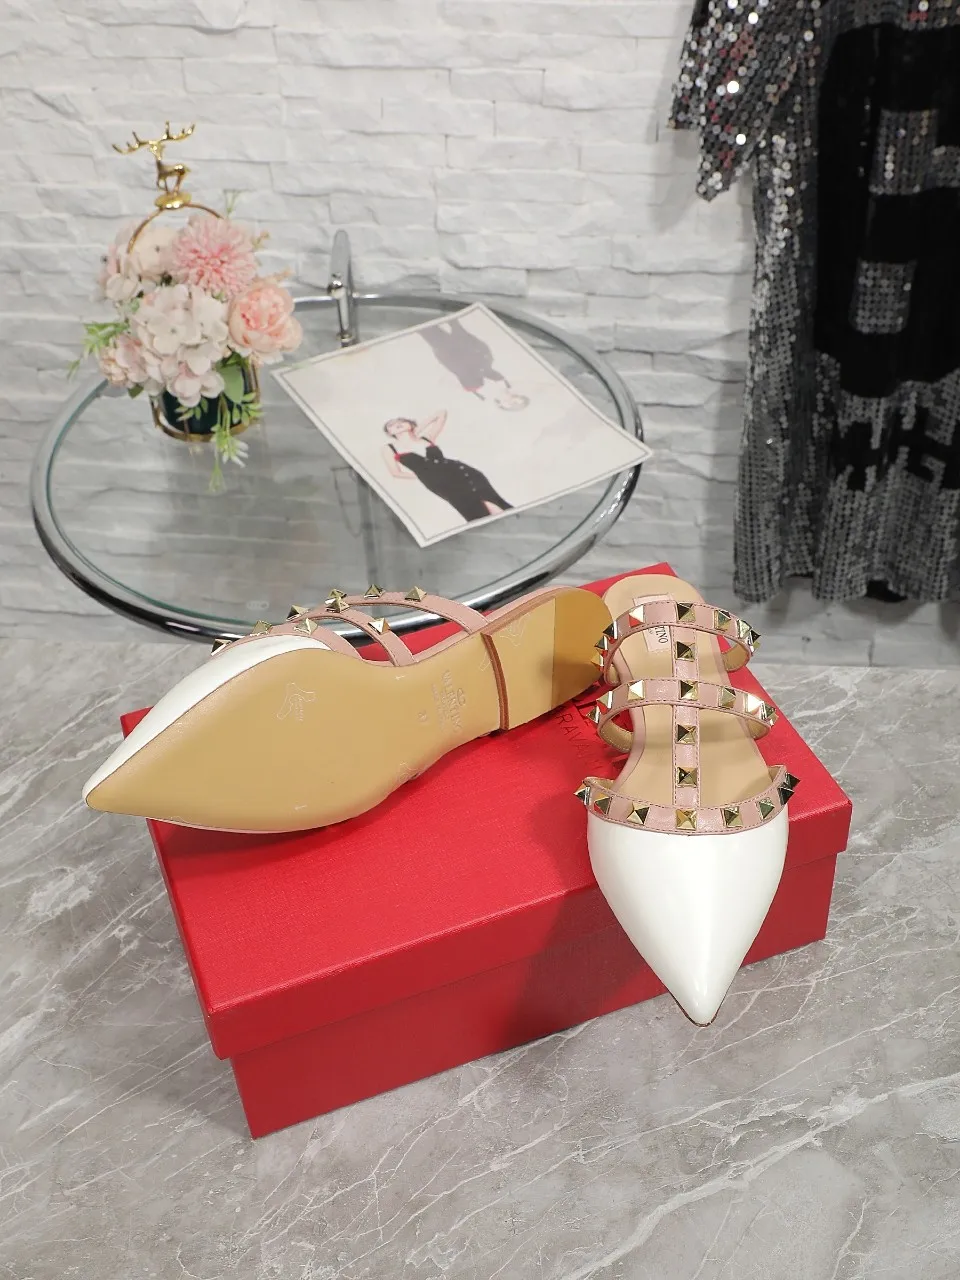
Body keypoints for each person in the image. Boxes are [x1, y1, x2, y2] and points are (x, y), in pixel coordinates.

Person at [382, 412, 513, 522]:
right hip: (441, 483)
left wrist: (415, 430)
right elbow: (396, 473)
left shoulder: (426, 438)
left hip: (462, 472)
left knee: (492, 502)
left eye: (401, 422)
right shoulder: (390, 448)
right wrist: (423, 475)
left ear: (410, 424)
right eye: (391, 425)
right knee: (475, 510)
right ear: (389, 432)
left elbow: (441, 413)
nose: (396, 424)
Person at [419, 317, 529, 410]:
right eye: (519, 398)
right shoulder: (505, 384)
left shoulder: (483, 396)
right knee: (452, 321)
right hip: (469, 347)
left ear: (502, 405)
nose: (514, 398)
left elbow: (451, 382)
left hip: (451, 355)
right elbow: (490, 370)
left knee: (426, 328)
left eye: (513, 403)